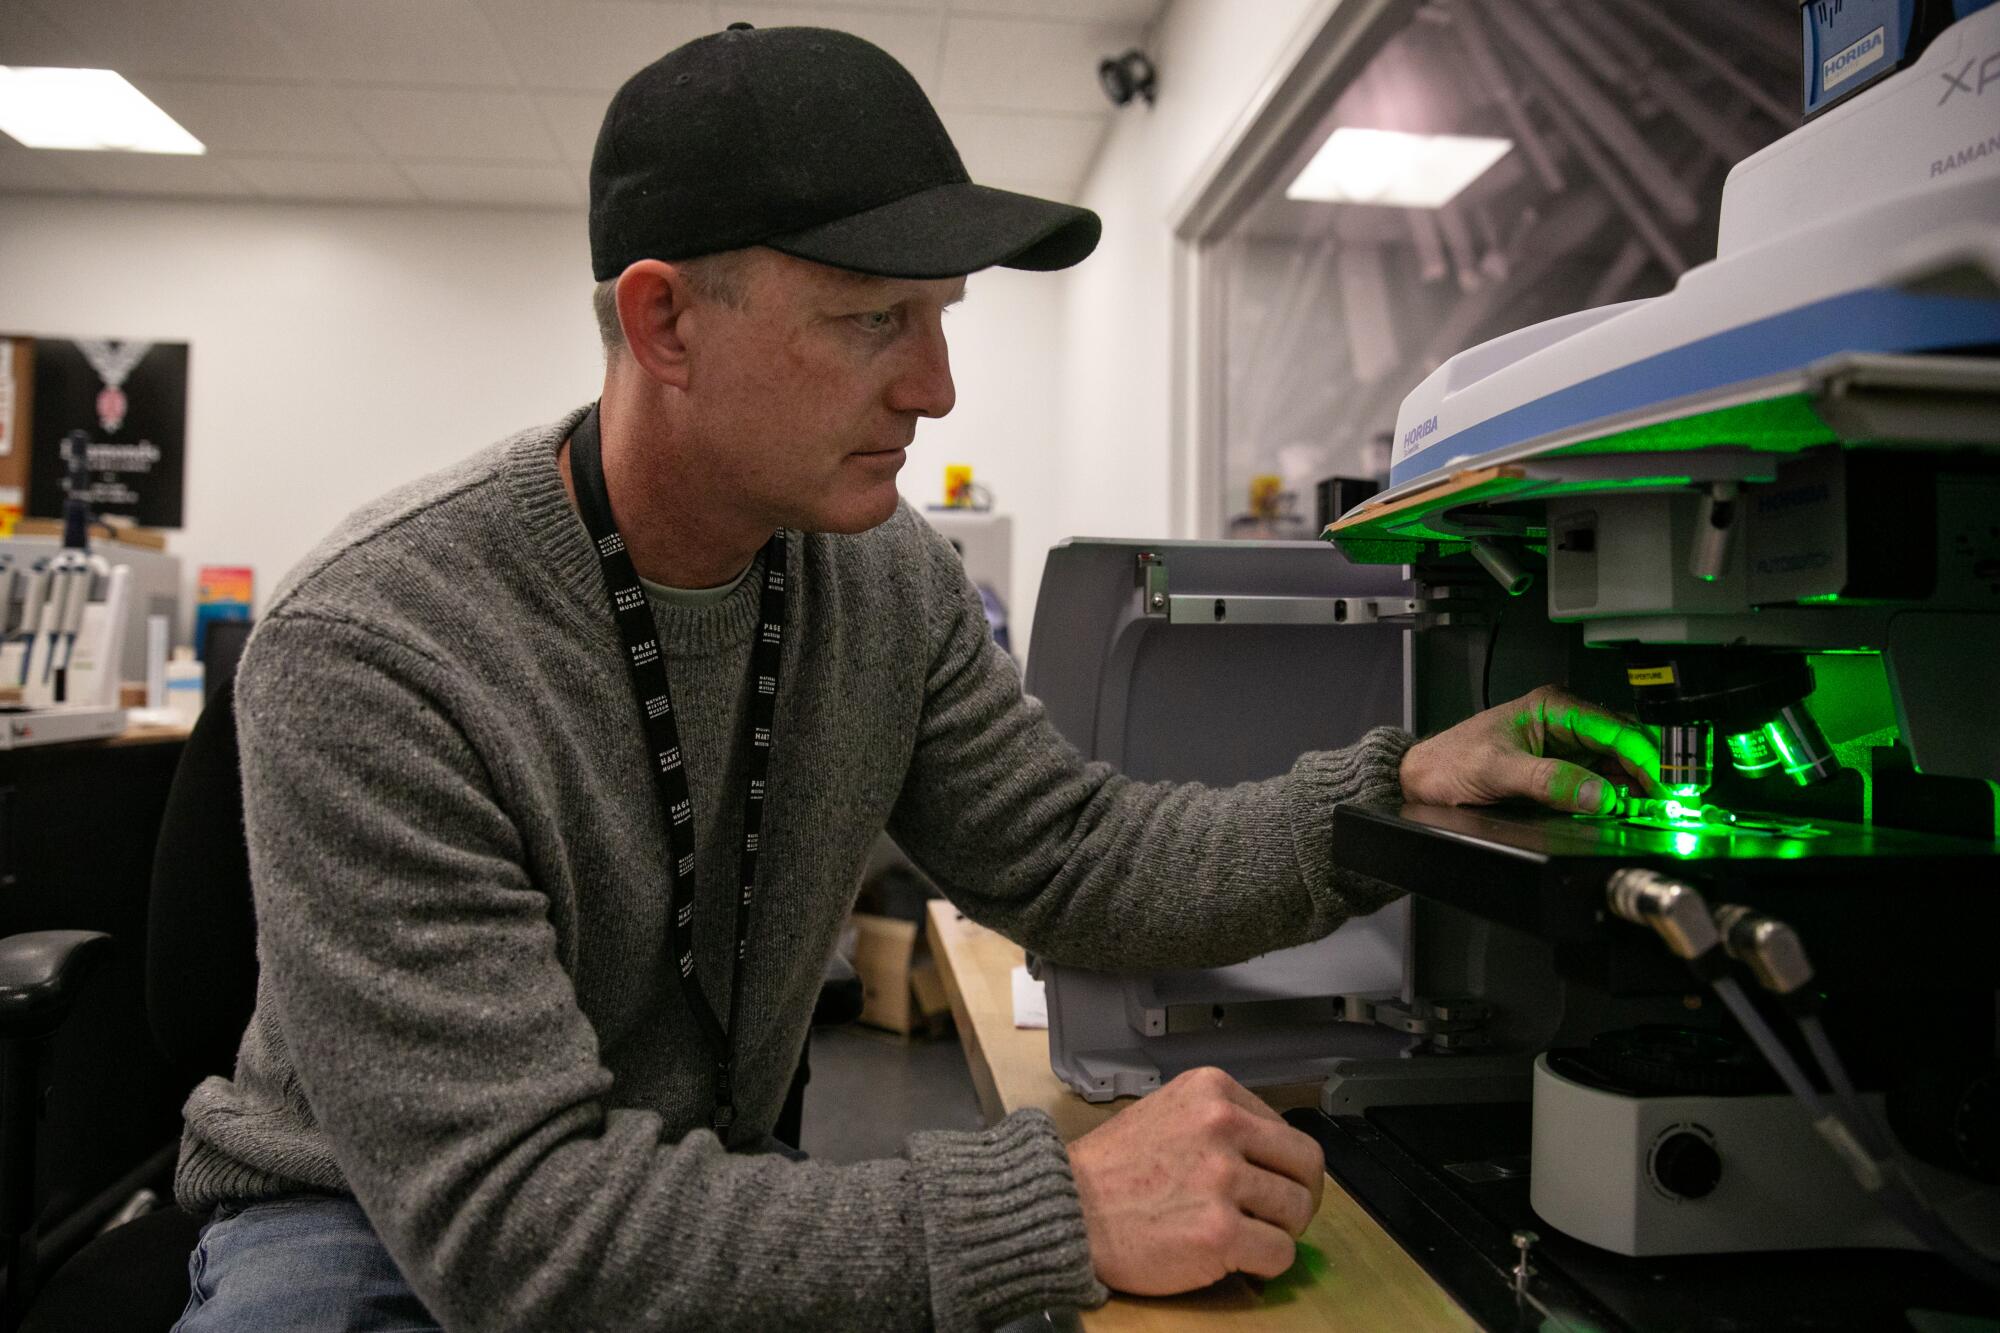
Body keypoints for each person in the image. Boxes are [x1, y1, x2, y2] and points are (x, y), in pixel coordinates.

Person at [171, 24, 1660, 1333]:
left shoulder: (881, 578)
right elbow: (515, 1228)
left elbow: (1076, 856)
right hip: (366, 1228)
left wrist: (1388, 794)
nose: (935, 386)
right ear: (664, 321)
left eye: (943, 316)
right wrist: (1056, 1213)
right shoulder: (380, 645)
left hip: (688, 1196)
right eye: (874, 319)